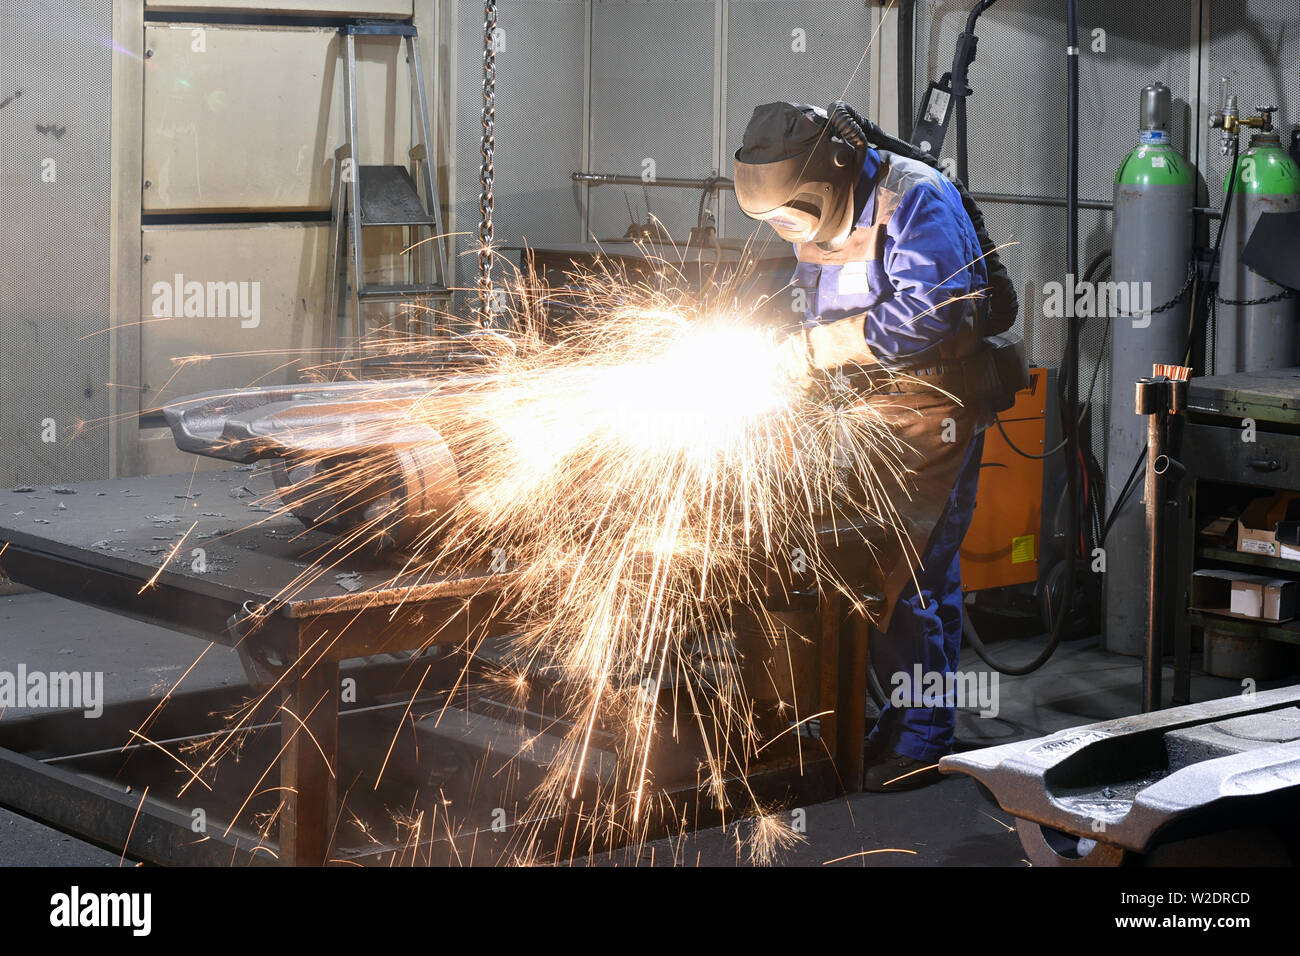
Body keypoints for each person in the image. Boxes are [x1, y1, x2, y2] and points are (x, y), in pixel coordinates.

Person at [733, 101, 1009, 791]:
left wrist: (816, 349)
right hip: (866, 409)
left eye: (795, 214)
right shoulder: (815, 211)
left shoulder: (914, 198)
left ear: (828, 174)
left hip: (933, 408)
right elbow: (812, 294)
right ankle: (918, 720)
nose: (791, 230)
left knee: (895, 571)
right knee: (920, 576)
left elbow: (931, 309)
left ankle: (919, 739)